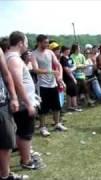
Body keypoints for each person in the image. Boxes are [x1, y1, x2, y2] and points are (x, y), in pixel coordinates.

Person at [6, 31, 43, 170]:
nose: (27, 45)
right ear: (20, 43)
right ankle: (26, 161)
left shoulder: (11, 57)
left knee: (22, 131)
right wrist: (28, 103)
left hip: (23, 102)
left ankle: (26, 157)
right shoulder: (14, 59)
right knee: (25, 132)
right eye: (26, 42)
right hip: (23, 104)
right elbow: (17, 82)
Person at [0, 46, 28, 179]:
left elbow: (6, 74)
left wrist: (14, 97)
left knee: (7, 142)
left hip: (2, 104)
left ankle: (5, 175)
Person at [31, 34, 67, 137]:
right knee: (43, 108)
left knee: (57, 105)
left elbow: (58, 64)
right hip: (42, 85)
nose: (47, 44)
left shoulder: (50, 52)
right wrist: (50, 71)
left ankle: (57, 124)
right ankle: (42, 127)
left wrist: (59, 76)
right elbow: (36, 70)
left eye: (48, 42)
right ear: (39, 43)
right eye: (45, 42)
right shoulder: (34, 54)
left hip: (53, 84)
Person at [60, 46, 82, 112]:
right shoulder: (63, 59)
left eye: (69, 50)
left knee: (71, 91)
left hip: (72, 75)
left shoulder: (69, 58)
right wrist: (73, 78)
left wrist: (73, 68)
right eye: (67, 50)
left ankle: (70, 106)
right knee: (72, 90)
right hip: (67, 77)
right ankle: (74, 106)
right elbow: (67, 70)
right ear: (64, 51)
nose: (69, 51)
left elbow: (73, 65)